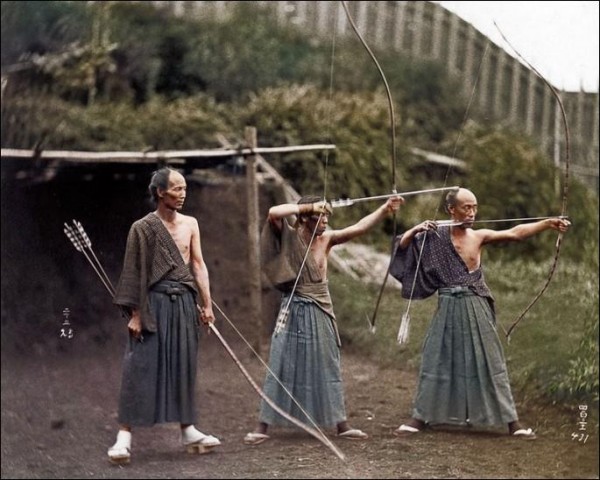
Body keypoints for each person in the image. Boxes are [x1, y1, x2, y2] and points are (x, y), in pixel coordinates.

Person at [390, 187, 571, 439]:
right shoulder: (433, 236)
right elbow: (402, 246)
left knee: (490, 360)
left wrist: (548, 223)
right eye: (466, 207)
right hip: (447, 305)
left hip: (475, 304)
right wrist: (415, 229)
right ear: (451, 210)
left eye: (475, 207)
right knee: (436, 357)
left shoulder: (478, 236)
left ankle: (512, 422)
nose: (472, 213)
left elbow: (515, 233)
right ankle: (419, 416)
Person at [244, 194, 404, 446]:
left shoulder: (326, 239)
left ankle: (342, 425)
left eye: (327, 215)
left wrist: (385, 209)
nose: (326, 220)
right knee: (281, 360)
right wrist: (307, 206)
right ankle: (262, 426)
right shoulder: (288, 236)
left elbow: (358, 228)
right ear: (305, 218)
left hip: (320, 307)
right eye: (321, 215)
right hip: (294, 306)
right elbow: (274, 211)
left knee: (328, 362)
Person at [107, 167, 221, 464]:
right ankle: (123, 437)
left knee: (184, 363)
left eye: (184, 189)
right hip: (152, 304)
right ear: (160, 192)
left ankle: (188, 430)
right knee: (139, 366)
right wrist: (134, 314)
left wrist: (207, 305)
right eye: (177, 189)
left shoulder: (191, 224)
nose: (183, 194)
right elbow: (132, 273)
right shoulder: (142, 228)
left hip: (184, 302)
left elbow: (197, 265)